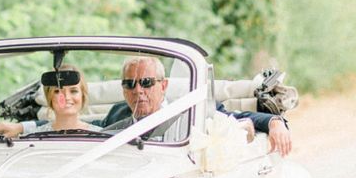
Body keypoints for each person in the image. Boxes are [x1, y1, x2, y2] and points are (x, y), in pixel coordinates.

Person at [105, 56, 292, 156]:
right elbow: (91, 132)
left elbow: (235, 118)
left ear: (163, 86)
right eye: (129, 84)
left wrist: (274, 122)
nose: (137, 90)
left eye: (146, 82)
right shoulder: (117, 114)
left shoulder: (192, 110)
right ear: (123, 90)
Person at [0, 64, 100, 138]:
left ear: (83, 96)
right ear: (49, 98)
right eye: (58, 91)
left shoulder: (101, 136)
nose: (66, 97)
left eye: (73, 91)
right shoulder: (34, 137)